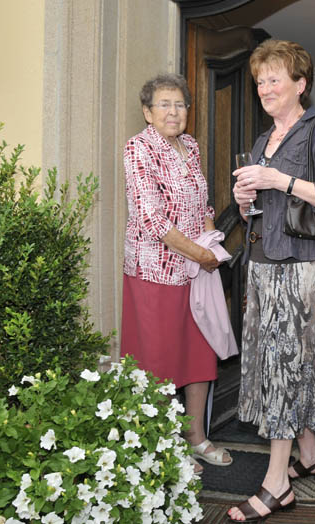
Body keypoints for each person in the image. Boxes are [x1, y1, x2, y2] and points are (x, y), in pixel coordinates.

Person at [227, 39, 315, 522]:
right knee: (275, 361)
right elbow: (263, 212)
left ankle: (277, 483)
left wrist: (277, 180)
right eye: (260, 81)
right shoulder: (263, 141)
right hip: (264, 264)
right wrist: (245, 203)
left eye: (274, 79)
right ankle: (312, 455)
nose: (265, 88)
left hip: (303, 267)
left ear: (300, 84)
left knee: (285, 366)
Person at [121, 73, 232, 472]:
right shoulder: (138, 148)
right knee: (159, 361)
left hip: (195, 269)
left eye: (180, 104)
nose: (173, 112)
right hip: (155, 271)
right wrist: (201, 254)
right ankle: (164, 445)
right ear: (147, 112)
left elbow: (203, 205)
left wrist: (210, 242)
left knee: (199, 352)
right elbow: (152, 219)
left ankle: (195, 438)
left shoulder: (191, 146)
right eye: (164, 104)